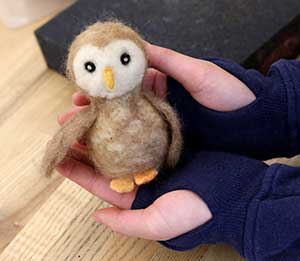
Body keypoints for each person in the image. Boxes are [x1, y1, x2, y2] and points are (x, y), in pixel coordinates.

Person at [56, 42, 300, 260]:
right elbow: (71, 130)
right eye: (91, 67)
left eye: (124, 59)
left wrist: (246, 205)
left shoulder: (153, 107)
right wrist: (278, 107)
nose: (109, 77)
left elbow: (170, 119)